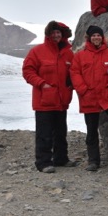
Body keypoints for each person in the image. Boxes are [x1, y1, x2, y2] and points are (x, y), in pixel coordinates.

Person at [22, 21, 76, 173]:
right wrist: (41, 83)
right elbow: (28, 71)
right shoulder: (37, 51)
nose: (56, 35)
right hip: (44, 100)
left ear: (63, 34)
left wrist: (70, 85)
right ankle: (43, 162)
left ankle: (61, 159)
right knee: (44, 133)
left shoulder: (69, 52)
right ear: (48, 34)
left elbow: (74, 72)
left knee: (60, 132)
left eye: (58, 32)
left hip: (61, 100)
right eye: (53, 33)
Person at [69, 25, 108, 172]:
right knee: (91, 130)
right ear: (89, 38)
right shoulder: (80, 55)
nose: (96, 38)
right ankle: (93, 161)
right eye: (94, 36)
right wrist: (82, 90)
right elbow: (75, 73)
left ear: (102, 37)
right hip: (90, 98)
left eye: (99, 35)